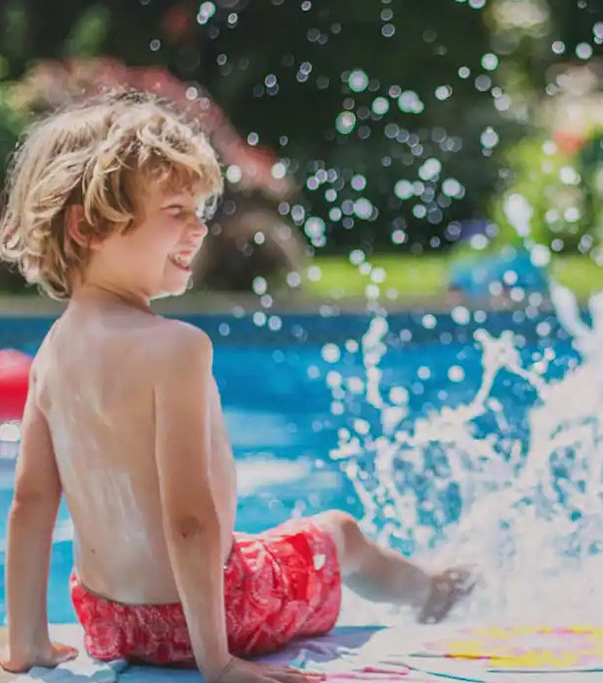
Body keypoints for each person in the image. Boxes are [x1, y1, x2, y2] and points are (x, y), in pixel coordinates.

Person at [0, 95, 473, 681]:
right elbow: (189, 520)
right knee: (339, 532)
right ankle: (431, 592)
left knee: (248, 543)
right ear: (88, 226)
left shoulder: (52, 351)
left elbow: (31, 503)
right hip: (219, 617)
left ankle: (26, 640)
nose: (198, 226)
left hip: (108, 621)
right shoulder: (174, 347)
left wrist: (27, 641)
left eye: (198, 208)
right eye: (174, 208)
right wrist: (217, 662)